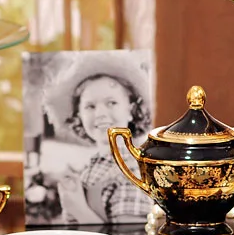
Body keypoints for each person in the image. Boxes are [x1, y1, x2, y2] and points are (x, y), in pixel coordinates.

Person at [43, 51, 153, 224]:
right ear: (79, 115)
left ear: (131, 110)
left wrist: (77, 208)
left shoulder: (131, 168)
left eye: (111, 103)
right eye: (90, 106)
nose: (100, 114)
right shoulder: (93, 165)